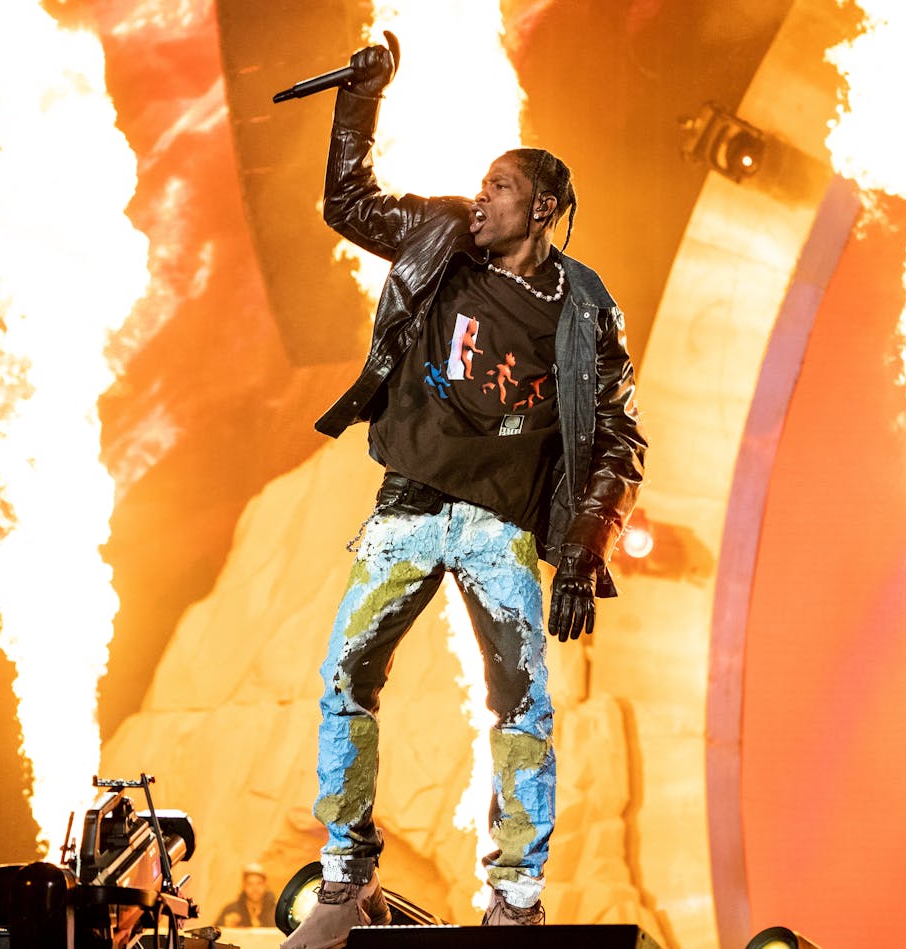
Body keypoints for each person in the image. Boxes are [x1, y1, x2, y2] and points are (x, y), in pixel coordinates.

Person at [282, 37, 646, 949]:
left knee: (520, 705)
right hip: (405, 505)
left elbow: (618, 436)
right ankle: (343, 878)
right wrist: (357, 105)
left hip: (496, 528)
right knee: (345, 677)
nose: (480, 199)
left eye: (499, 189)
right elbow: (348, 204)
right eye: (480, 186)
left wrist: (588, 543)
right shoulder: (443, 236)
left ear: (545, 209)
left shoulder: (584, 309)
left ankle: (514, 900)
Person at [216, 863, 277, 928]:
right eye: (250, 884)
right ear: (244, 886)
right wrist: (225, 926)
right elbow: (215, 933)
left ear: (265, 886)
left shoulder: (276, 912)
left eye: (259, 883)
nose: (255, 888)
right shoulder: (231, 910)